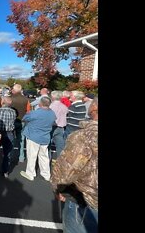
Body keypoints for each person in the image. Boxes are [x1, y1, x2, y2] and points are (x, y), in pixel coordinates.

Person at [51, 97, 98, 233]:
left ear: (94, 108)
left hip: (86, 202)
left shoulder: (83, 137)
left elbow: (66, 171)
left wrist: (58, 188)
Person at [19, 96, 56, 182]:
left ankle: (30, 173)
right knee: (44, 156)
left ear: (40, 104)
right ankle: (46, 174)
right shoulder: (52, 113)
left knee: (32, 156)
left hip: (33, 136)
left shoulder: (35, 113)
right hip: (45, 137)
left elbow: (24, 118)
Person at [0, 96, 16, 178]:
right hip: (9, 133)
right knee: (7, 153)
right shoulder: (13, 112)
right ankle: (5, 171)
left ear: (2, 102)